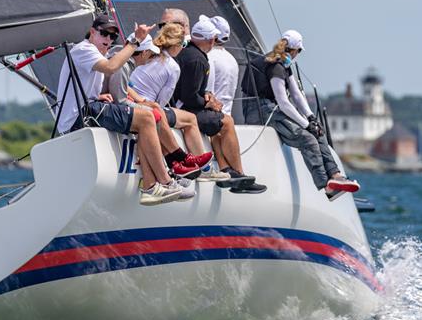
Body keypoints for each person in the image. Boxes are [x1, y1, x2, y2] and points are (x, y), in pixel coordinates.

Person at [55, 14, 183, 205]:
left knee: (147, 116)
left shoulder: (97, 53)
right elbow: (110, 67)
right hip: (77, 117)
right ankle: (164, 181)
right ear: (92, 32)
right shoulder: (84, 49)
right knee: (147, 118)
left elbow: (93, 78)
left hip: (85, 109)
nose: (108, 39)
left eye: (112, 37)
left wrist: (97, 96)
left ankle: (152, 183)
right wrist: (134, 42)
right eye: (104, 34)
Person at [243, 29, 360, 199]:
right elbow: (283, 102)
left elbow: (296, 95)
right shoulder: (275, 66)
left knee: (318, 132)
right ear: (295, 50)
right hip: (259, 111)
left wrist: (312, 118)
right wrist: (306, 125)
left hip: (273, 109)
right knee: (308, 138)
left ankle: (335, 176)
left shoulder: (284, 63)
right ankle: (327, 187)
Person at [173, 17, 267, 194]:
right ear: (209, 40)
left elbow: (191, 90)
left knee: (218, 122)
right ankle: (238, 173)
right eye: (213, 39)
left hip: (184, 107)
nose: (213, 43)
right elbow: (189, 96)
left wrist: (207, 98)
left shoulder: (189, 53)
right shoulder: (199, 60)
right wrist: (208, 104)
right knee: (227, 122)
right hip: (185, 110)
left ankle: (226, 170)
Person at [128, 23, 215, 176]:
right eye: (184, 44)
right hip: (144, 105)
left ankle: (178, 162)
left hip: (133, 99)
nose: (183, 48)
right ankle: (201, 168)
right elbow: (162, 101)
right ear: (177, 45)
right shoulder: (173, 67)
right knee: (190, 118)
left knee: (163, 113)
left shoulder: (150, 53)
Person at [205, 15, 239, 117]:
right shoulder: (232, 59)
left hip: (211, 117)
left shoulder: (208, 56)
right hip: (227, 115)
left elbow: (206, 91)